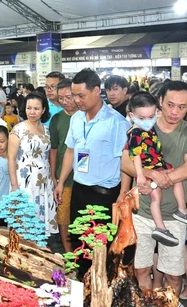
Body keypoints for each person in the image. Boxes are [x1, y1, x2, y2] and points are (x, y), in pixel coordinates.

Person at [121, 80, 187, 298]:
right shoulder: (143, 124)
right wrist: (151, 172)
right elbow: (125, 163)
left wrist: (156, 180)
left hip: (174, 215)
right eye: (171, 104)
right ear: (160, 102)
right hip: (143, 212)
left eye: (182, 107)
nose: (175, 112)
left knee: (174, 275)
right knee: (141, 269)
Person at [54, 69, 130, 277]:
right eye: (74, 95)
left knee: (101, 248)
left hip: (104, 194)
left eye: (81, 95)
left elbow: (124, 161)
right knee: (80, 242)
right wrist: (61, 182)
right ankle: (83, 285)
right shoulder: (77, 119)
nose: (76, 100)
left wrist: (123, 192)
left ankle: (102, 289)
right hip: (80, 190)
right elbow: (71, 150)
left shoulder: (116, 122)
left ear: (96, 91)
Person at [126, 91, 187, 246]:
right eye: (142, 118)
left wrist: (161, 175)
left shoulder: (151, 128)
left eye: (151, 117)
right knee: (156, 197)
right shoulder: (135, 133)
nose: (174, 111)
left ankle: (182, 210)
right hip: (148, 174)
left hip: (159, 166)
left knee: (176, 178)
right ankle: (160, 227)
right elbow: (132, 157)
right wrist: (144, 176)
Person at [8, 92, 58, 236]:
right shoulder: (18, 130)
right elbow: (11, 159)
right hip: (24, 182)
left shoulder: (47, 131)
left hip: (44, 182)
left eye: (36, 108)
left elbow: (48, 156)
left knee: (40, 224)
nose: (32, 112)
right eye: (29, 108)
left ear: (43, 110)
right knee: (24, 224)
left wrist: (53, 179)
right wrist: (14, 186)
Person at [49, 78, 77, 253]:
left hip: (82, 177)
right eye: (61, 98)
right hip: (63, 177)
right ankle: (68, 252)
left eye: (69, 97)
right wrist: (53, 175)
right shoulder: (57, 119)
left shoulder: (84, 116)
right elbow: (54, 149)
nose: (65, 102)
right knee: (63, 215)